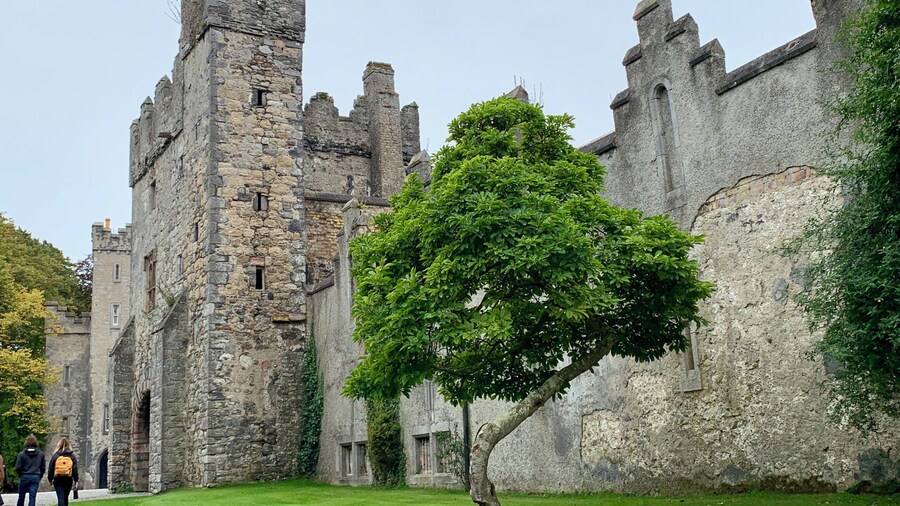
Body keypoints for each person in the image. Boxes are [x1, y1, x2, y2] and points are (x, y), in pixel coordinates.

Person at [14, 435, 44, 506]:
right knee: (32, 497)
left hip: (24, 475)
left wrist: (20, 474)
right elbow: (43, 467)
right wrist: (40, 475)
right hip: (35, 476)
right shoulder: (40, 454)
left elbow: (18, 467)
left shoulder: (22, 454)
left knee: (21, 496)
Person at [47, 438, 78, 506]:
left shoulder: (56, 456)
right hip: (68, 479)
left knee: (60, 498)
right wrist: (76, 480)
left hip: (58, 478)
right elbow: (75, 469)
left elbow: (51, 468)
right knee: (65, 497)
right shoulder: (72, 456)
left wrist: (50, 479)